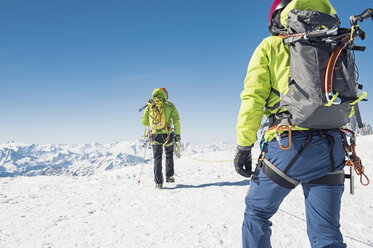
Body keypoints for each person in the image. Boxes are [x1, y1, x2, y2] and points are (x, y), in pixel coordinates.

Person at [235, 0, 347, 247]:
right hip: (333, 146)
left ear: (276, 19)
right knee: (327, 233)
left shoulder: (271, 46)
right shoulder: (333, 40)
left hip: (289, 146)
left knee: (257, 214)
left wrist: (244, 146)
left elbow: (252, 98)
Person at [142, 87, 181, 189]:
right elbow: (176, 120)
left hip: (155, 135)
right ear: (165, 94)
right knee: (169, 154)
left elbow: (144, 122)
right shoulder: (169, 105)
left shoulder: (150, 105)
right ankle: (169, 176)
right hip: (167, 133)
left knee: (157, 158)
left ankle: (158, 183)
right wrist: (177, 135)